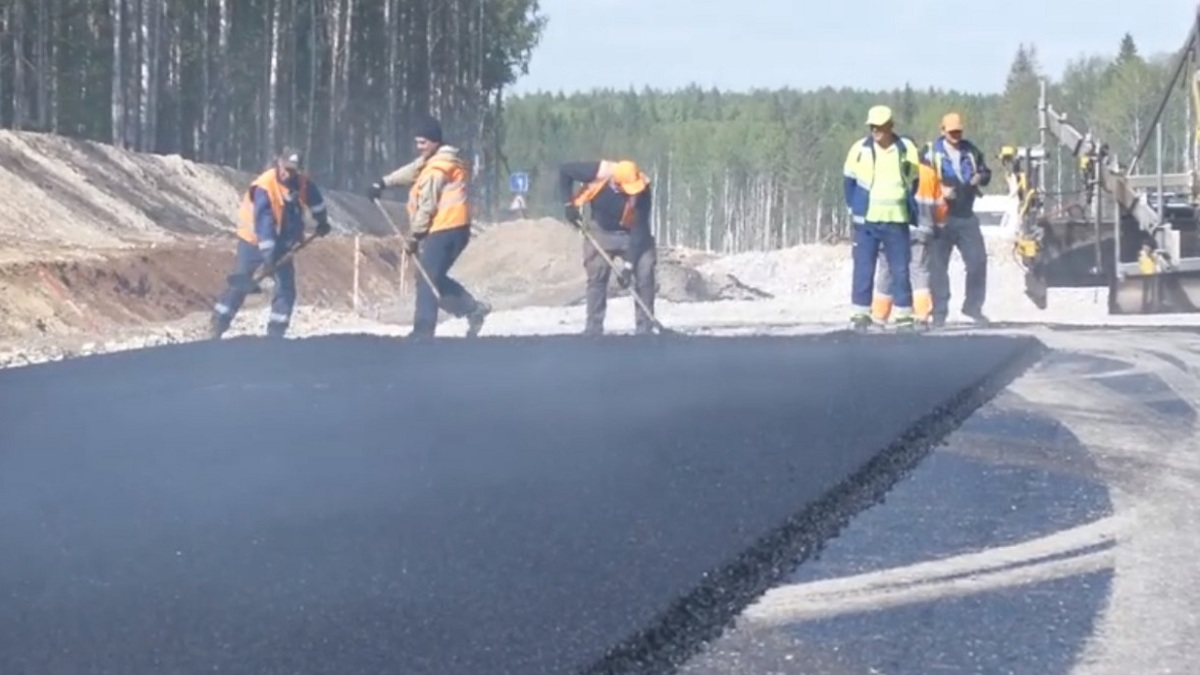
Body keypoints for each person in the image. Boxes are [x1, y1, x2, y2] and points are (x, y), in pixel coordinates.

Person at [367, 116, 490, 339]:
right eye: (417, 142)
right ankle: (472, 309)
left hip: (447, 228)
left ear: (434, 142)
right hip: (452, 229)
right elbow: (411, 170)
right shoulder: (434, 161)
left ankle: (423, 330)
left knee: (427, 277)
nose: (419, 147)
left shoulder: (437, 169)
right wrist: (383, 183)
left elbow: (427, 206)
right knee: (431, 276)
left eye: (423, 142)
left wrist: (415, 236)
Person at [210, 147, 331, 339]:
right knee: (241, 282)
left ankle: (276, 334)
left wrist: (322, 221)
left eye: (293, 170)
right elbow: (263, 223)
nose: (288, 173)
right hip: (253, 241)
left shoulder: (301, 183)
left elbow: (316, 202)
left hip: (283, 242)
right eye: (285, 168)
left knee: (285, 287)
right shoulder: (265, 187)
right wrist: (268, 256)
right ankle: (218, 325)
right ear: (279, 162)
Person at [843, 105, 922, 332]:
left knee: (900, 269)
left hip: (896, 220)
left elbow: (913, 180)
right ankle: (860, 314)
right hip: (866, 222)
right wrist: (854, 208)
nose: (875, 131)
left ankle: (904, 315)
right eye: (872, 127)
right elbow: (848, 182)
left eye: (879, 127)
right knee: (863, 268)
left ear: (890, 126)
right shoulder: (859, 149)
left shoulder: (905, 148)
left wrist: (902, 201)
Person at [559, 159, 655, 335]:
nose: (633, 195)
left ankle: (645, 328)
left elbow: (639, 228)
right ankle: (593, 328)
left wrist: (628, 266)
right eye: (628, 191)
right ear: (615, 185)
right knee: (597, 276)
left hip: (632, 234)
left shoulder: (643, 190)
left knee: (645, 271)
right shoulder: (597, 173)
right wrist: (568, 205)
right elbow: (564, 170)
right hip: (601, 232)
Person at [926, 112, 993, 327]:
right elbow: (918, 179)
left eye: (958, 131)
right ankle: (939, 312)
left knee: (978, 261)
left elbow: (986, 172)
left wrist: (980, 177)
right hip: (941, 216)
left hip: (966, 215)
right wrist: (940, 190)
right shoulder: (929, 154)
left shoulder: (971, 151)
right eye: (951, 132)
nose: (956, 135)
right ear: (942, 130)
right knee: (937, 267)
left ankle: (973, 306)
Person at [871, 147, 944, 326]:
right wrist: (939, 226)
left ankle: (879, 316)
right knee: (919, 272)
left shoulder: (885, 170)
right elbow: (940, 205)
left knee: (887, 271)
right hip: (921, 230)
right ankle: (921, 316)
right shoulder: (929, 174)